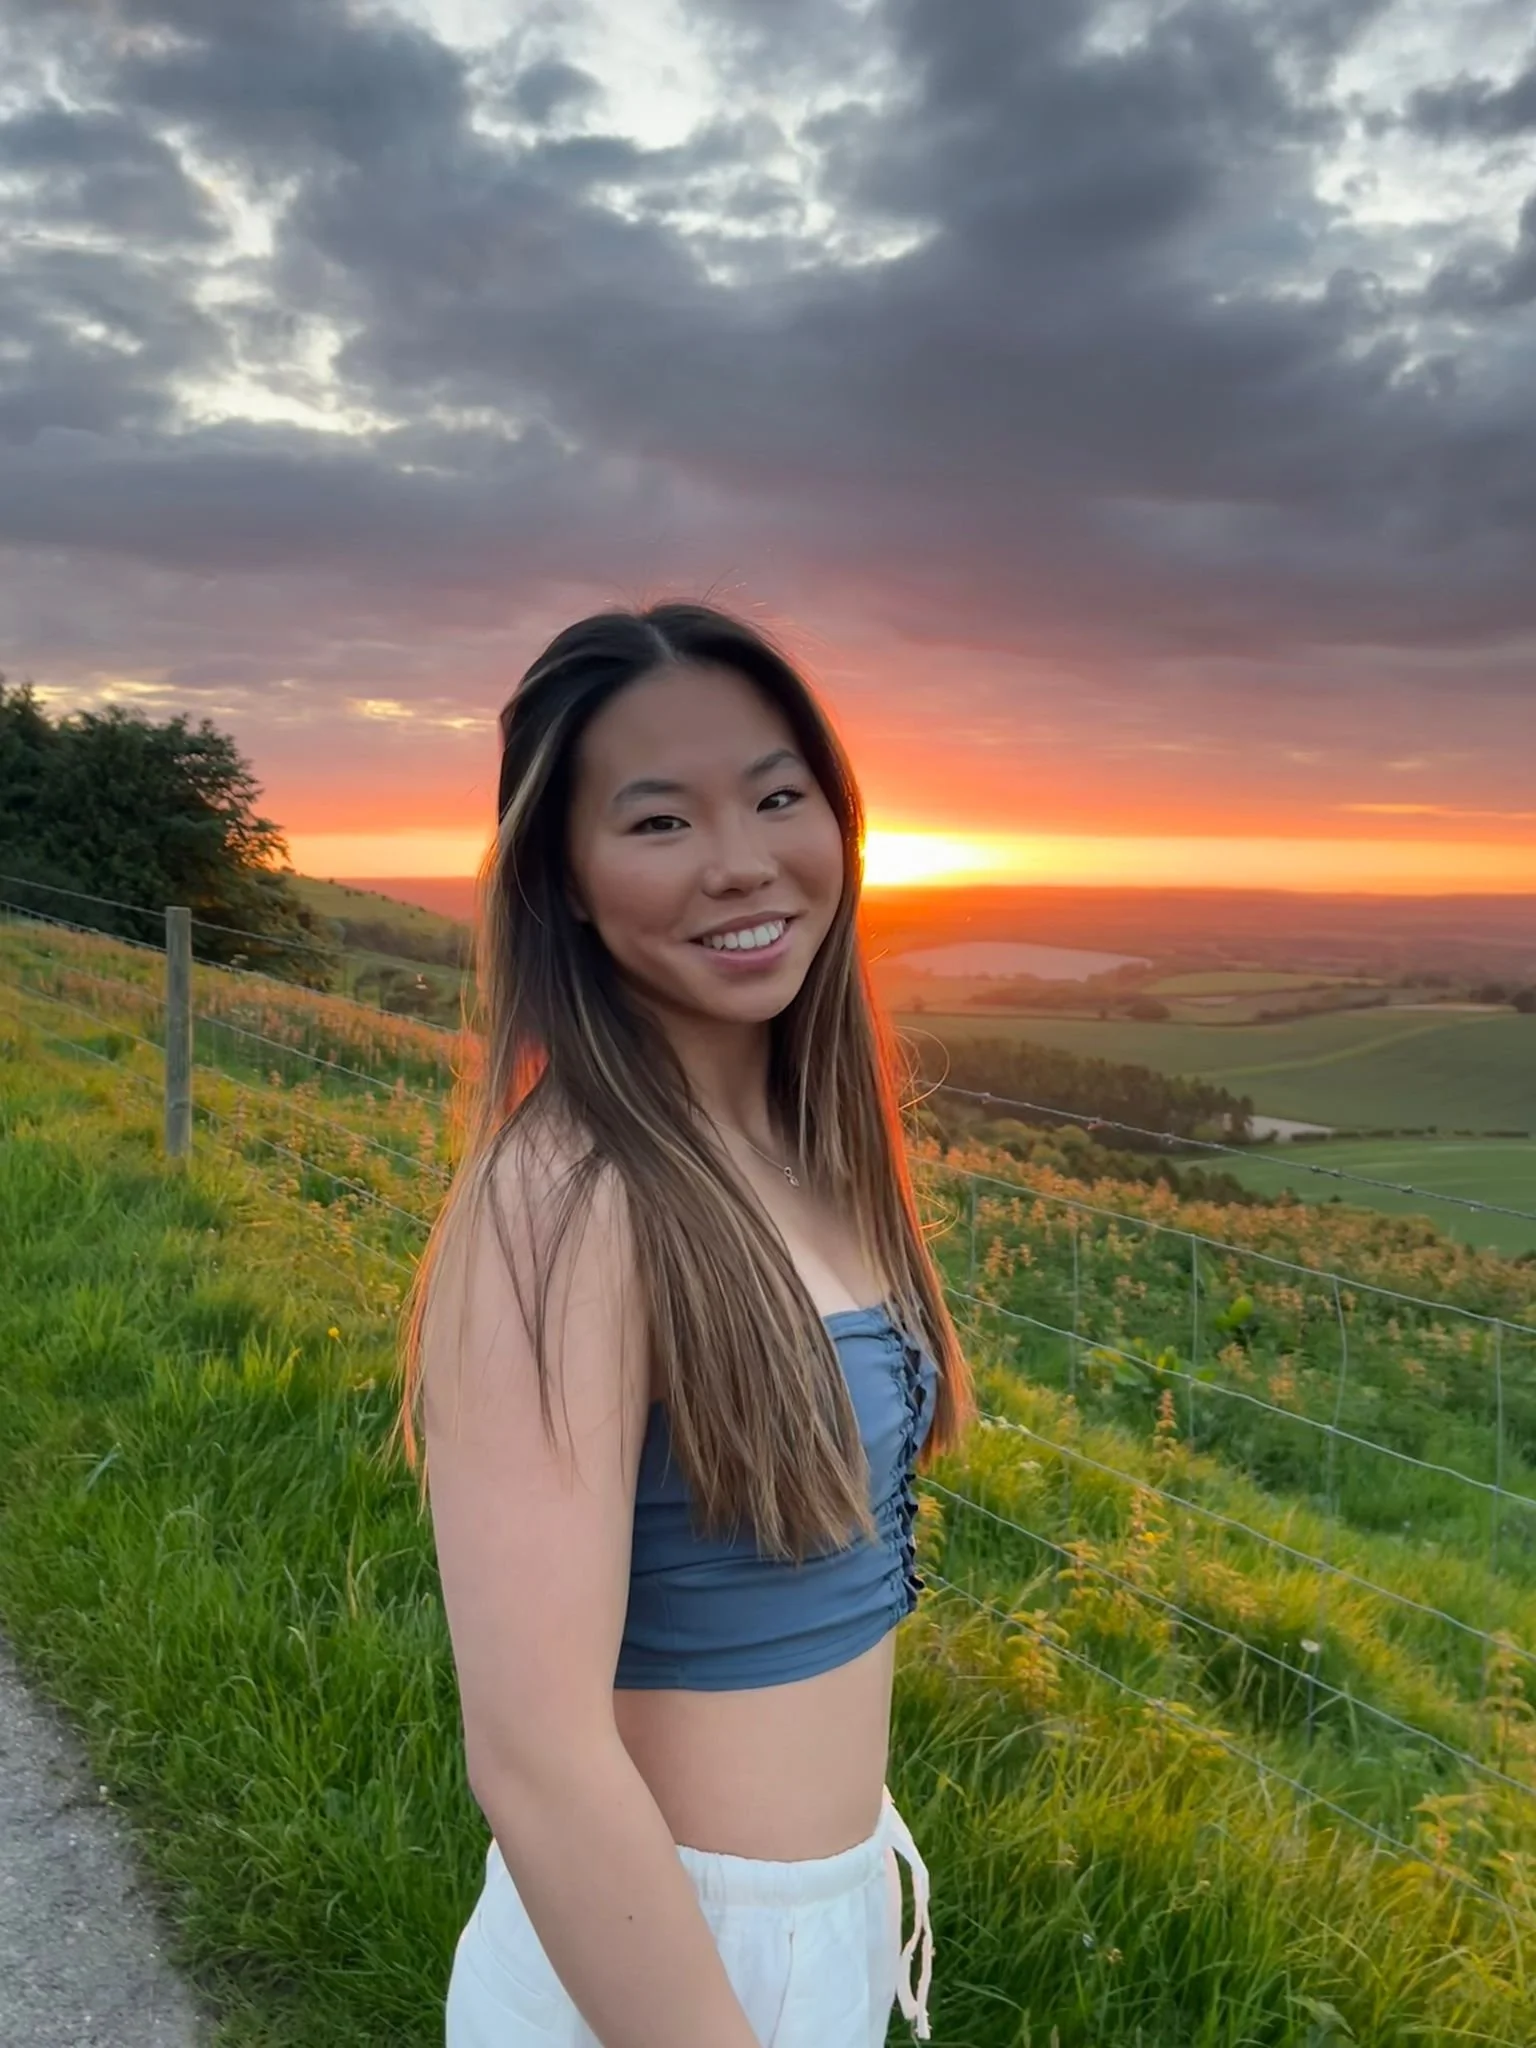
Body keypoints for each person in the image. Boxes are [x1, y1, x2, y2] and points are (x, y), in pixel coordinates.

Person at [393, 601, 974, 2046]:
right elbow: (534, 1760)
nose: (740, 861)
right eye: (657, 823)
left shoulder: (812, 1147)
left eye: (777, 797)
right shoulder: (566, 1204)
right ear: (567, 881)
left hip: (811, 1927)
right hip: (652, 1968)